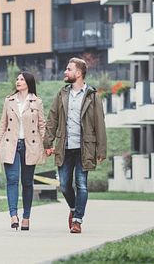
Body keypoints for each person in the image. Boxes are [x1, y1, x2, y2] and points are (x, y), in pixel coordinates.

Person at [44, 57, 107, 234]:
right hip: (64, 146)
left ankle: (78, 220)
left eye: (68, 69)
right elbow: (52, 119)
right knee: (64, 184)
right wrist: (47, 142)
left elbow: (99, 124)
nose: (65, 72)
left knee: (82, 184)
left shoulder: (93, 96)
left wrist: (101, 149)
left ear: (78, 73)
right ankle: (73, 208)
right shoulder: (62, 94)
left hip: (84, 147)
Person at [0, 71, 46, 231]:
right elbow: (2, 125)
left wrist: (48, 145)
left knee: (27, 183)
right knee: (12, 180)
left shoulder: (37, 102)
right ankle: (13, 215)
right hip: (11, 145)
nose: (18, 81)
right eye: (17, 79)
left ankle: (26, 217)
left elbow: (42, 125)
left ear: (29, 82)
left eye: (21, 79)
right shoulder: (9, 101)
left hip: (30, 146)